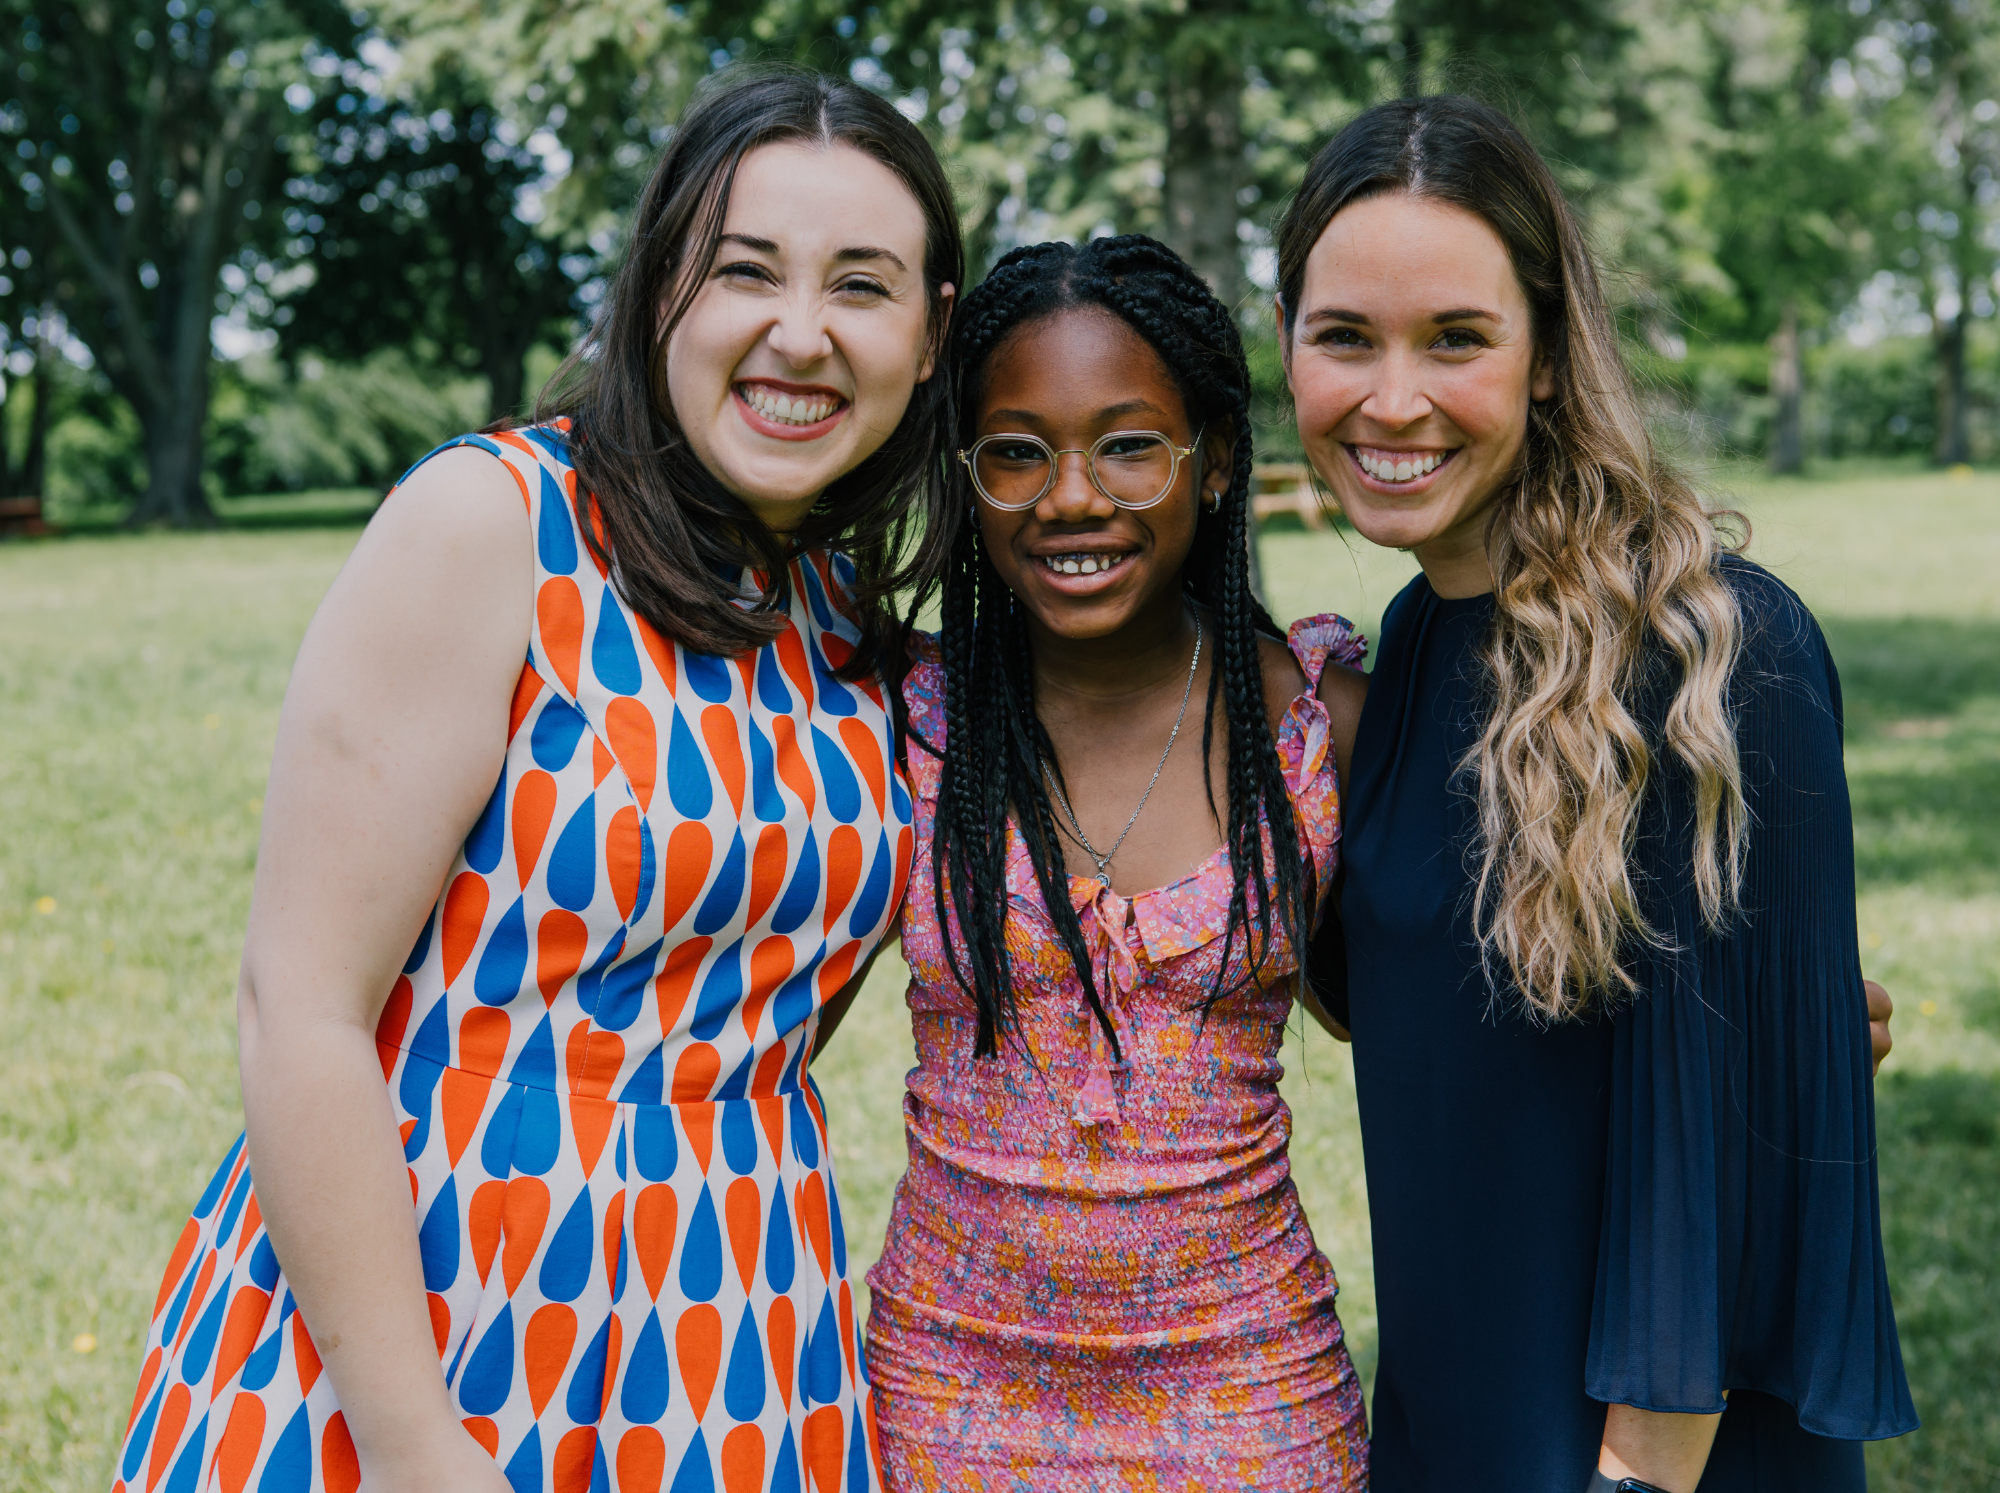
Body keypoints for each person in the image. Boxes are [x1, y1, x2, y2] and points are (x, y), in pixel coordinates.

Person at [113, 70, 959, 1493]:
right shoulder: (495, 523)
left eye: (861, 288)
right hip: (432, 1316)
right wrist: (408, 1441)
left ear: (930, 340)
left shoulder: (842, 619)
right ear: (656, 296)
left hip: (733, 1325)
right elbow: (299, 1008)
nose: (799, 334)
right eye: (744, 271)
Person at [1279, 96, 1917, 1491]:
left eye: (1457, 338)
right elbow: (1421, 1004)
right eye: (1344, 338)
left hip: (1652, 1455)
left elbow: (1722, 1179)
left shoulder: (1714, 647)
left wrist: (1633, 1480)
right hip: (1455, 1404)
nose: (1393, 399)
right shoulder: (1412, 640)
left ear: (1552, 356)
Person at [850, 235, 1372, 1490]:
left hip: (1248, 1385)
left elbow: (1435, 1013)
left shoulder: (1317, 720)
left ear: (1215, 462)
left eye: (1129, 443)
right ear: (965, 475)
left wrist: (1727, 1027)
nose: (1070, 495)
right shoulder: (906, 724)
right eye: (1016, 450)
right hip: (946, 1384)